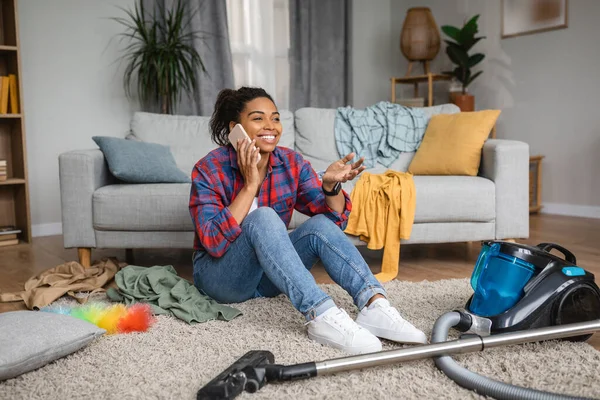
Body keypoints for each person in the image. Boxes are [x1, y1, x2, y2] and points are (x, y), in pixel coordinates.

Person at [189, 86, 427, 355]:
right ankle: (320, 313)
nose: (270, 126)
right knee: (263, 216)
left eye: (275, 118)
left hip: (269, 278)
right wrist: (250, 185)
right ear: (236, 128)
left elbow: (333, 221)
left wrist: (330, 187)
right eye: (258, 118)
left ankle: (374, 303)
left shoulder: (291, 162)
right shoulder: (209, 168)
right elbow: (213, 242)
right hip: (222, 279)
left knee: (319, 226)